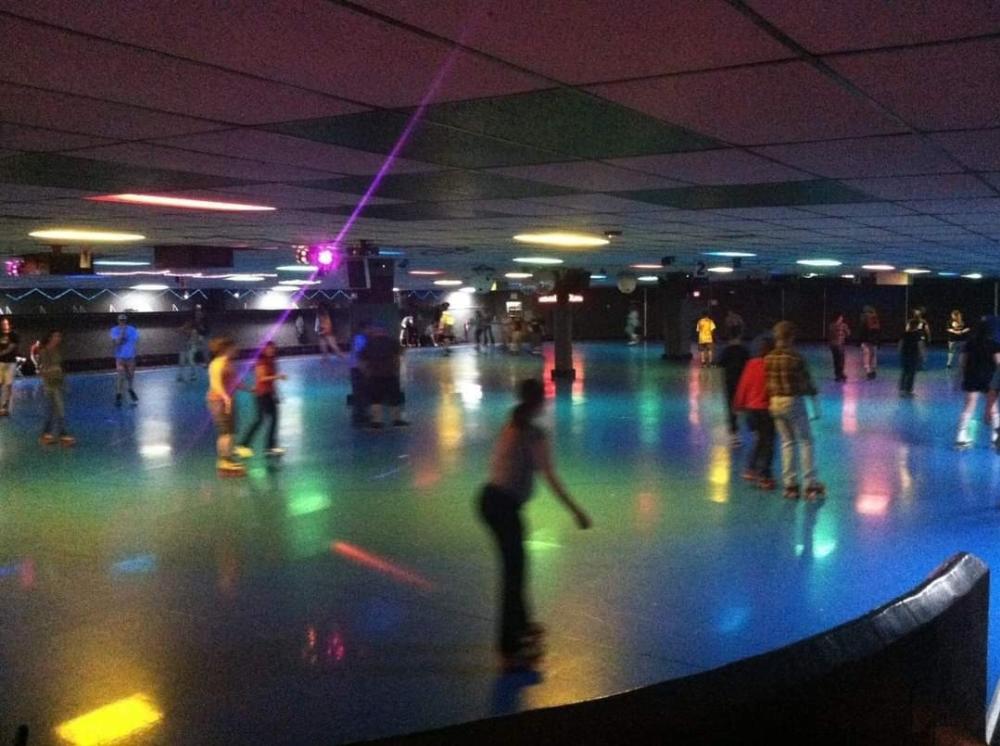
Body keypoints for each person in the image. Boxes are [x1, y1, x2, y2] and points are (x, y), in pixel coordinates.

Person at [478, 379, 592, 670]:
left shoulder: (515, 421)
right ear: (540, 402)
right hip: (502, 506)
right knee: (513, 574)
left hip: (493, 501)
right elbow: (550, 477)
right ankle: (510, 649)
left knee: (518, 566)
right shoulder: (531, 433)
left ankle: (523, 625)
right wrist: (576, 511)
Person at [765, 321, 823, 500]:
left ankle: (790, 485)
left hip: (775, 402)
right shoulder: (796, 358)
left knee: (787, 442)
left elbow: (767, 384)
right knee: (805, 441)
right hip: (793, 401)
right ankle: (810, 484)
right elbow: (806, 384)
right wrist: (815, 406)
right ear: (791, 337)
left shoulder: (768, 358)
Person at [734, 335, 776, 490]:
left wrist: (738, 405)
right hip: (766, 409)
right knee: (769, 443)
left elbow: (743, 385)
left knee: (759, 439)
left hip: (751, 410)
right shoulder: (772, 365)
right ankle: (765, 476)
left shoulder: (752, 363)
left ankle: (751, 468)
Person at [233, 341, 287, 459]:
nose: (271, 351)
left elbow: (271, 382)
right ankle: (243, 445)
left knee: (273, 419)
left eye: (272, 349)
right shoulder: (261, 362)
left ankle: (269, 447)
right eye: (268, 349)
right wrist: (278, 377)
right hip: (261, 395)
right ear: (263, 350)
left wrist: (276, 394)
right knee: (260, 420)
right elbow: (262, 378)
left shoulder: (272, 361)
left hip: (269, 394)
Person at [955, 321, 1000, 449]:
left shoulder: (970, 344)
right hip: (989, 380)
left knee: (969, 407)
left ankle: (960, 436)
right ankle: (996, 438)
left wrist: (958, 378)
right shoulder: (994, 345)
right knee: (993, 408)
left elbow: (962, 363)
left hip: (972, 378)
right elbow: (998, 363)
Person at [206, 336, 246, 475]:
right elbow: (216, 384)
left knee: (230, 432)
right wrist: (225, 398)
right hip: (218, 401)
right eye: (233, 348)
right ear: (226, 349)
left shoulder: (228, 362)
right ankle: (224, 460)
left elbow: (234, 381)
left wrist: (250, 389)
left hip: (227, 400)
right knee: (225, 432)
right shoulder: (217, 363)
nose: (236, 350)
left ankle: (227, 457)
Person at [358, 323, 408, 428]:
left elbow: (361, 359)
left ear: (374, 333)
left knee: (375, 399)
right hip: (390, 374)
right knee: (395, 398)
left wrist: (366, 372)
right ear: (384, 333)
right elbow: (401, 352)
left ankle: (376, 422)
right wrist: (397, 367)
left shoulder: (369, 343)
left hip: (374, 375)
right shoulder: (391, 342)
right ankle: (397, 420)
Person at [37, 330, 74, 446]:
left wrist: (64, 382)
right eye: (56, 336)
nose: (58, 338)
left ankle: (47, 433)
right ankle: (62, 434)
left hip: (58, 383)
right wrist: (53, 370)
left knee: (51, 411)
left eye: (59, 336)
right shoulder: (44, 352)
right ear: (50, 338)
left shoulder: (57, 351)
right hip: (50, 385)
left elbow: (60, 368)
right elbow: (42, 371)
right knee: (58, 410)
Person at [718, 334, 750, 447]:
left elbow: (719, 363)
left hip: (729, 382)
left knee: (731, 407)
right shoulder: (744, 350)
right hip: (743, 382)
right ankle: (754, 429)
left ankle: (734, 435)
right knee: (747, 405)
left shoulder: (727, 350)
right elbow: (749, 363)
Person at [111, 313, 139, 407]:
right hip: (120, 357)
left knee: (130, 376)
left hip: (130, 357)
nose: (122, 322)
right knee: (121, 376)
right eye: (120, 320)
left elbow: (135, 341)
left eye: (123, 320)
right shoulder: (114, 330)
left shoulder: (132, 330)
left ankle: (130, 389)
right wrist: (122, 334)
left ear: (126, 321)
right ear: (118, 321)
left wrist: (134, 351)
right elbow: (117, 343)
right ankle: (118, 394)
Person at [349, 321, 370, 427]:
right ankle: (359, 416)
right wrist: (365, 370)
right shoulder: (361, 339)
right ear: (364, 329)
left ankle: (361, 415)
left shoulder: (359, 338)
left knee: (361, 393)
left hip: (356, 369)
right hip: (358, 369)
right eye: (368, 328)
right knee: (360, 393)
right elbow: (360, 356)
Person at [898, 319, 923, 397]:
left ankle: (902, 389)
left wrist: (900, 353)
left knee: (905, 372)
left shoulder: (904, 334)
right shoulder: (917, 334)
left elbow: (900, 344)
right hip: (913, 355)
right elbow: (920, 345)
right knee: (911, 373)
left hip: (905, 355)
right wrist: (921, 355)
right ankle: (908, 390)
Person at [0, 317, 18, 416]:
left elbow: (11, 347)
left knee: (8, 384)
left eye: (6, 323)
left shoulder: (13, 334)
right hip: (0, 363)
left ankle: (5, 407)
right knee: (1, 384)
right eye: (3, 323)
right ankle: (1, 406)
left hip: (10, 362)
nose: (4, 325)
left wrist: (1, 353)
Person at [858, 306, 881, 380]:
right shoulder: (875, 319)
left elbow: (861, 332)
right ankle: (872, 371)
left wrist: (860, 341)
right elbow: (878, 331)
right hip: (873, 341)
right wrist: (878, 342)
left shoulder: (863, 319)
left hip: (866, 341)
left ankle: (869, 372)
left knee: (867, 356)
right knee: (873, 356)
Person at [827, 312, 850, 382]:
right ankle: (840, 374)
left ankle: (838, 374)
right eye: (841, 317)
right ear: (839, 318)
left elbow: (830, 335)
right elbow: (848, 333)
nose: (842, 318)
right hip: (839, 344)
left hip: (833, 345)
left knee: (836, 360)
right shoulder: (843, 325)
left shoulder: (831, 325)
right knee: (841, 360)